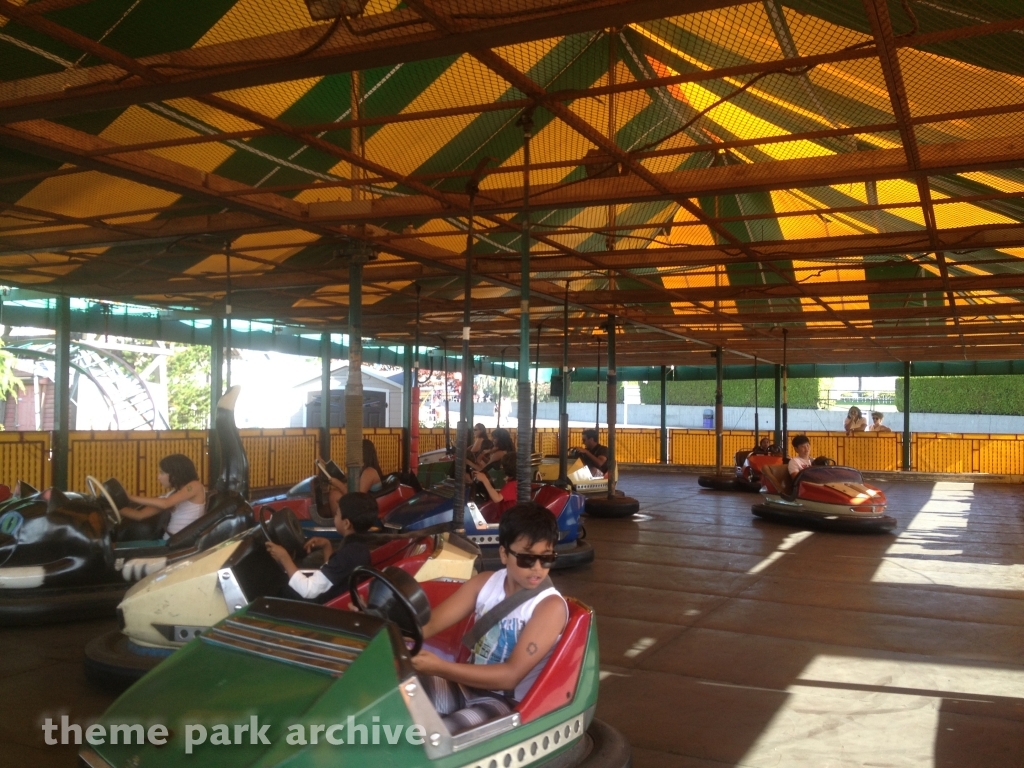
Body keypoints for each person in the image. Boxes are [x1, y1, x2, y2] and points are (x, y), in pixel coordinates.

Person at [410, 503, 567, 734]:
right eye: (526, 559)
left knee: (434, 739)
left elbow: (510, 677)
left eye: (546, 558)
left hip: (505, 703)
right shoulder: (484, 583)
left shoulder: (548, 607)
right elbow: (428, 625)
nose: (537, 568)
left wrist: (439, 667)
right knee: (392, 696)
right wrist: (379, 625)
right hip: (467, 687)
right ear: (504, 554)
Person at [265, 491, 378, 603]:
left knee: (274, 589)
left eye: (337, 513)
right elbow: (333, 575)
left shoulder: (349, 554)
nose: (335, 516)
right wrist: (327, 546)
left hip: (318, 607)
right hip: (328, 595)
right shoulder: (357, 547)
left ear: (346, 523)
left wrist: (284, 558)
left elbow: (308, 590)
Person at [121, 454, 206, 537]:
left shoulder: (195, 486)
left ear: (175, 473)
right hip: (168, 543)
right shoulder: (172, 494)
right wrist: (114, 508)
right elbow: (139, 515)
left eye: (162, 473)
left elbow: (165, 503)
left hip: (182, 545)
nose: (158, 477)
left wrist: (130, 497)